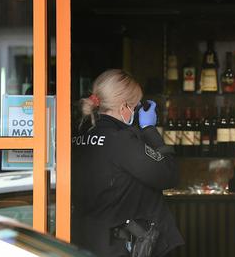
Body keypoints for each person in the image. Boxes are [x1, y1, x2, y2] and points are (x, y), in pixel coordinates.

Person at [71, 69, 183, 257]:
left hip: (85, 242)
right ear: (124, 108)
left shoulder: (78, 136)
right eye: (136, 106)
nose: (136, 112)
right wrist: (149, 129)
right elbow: (169, 174)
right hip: (120, 248)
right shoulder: (121, 140)